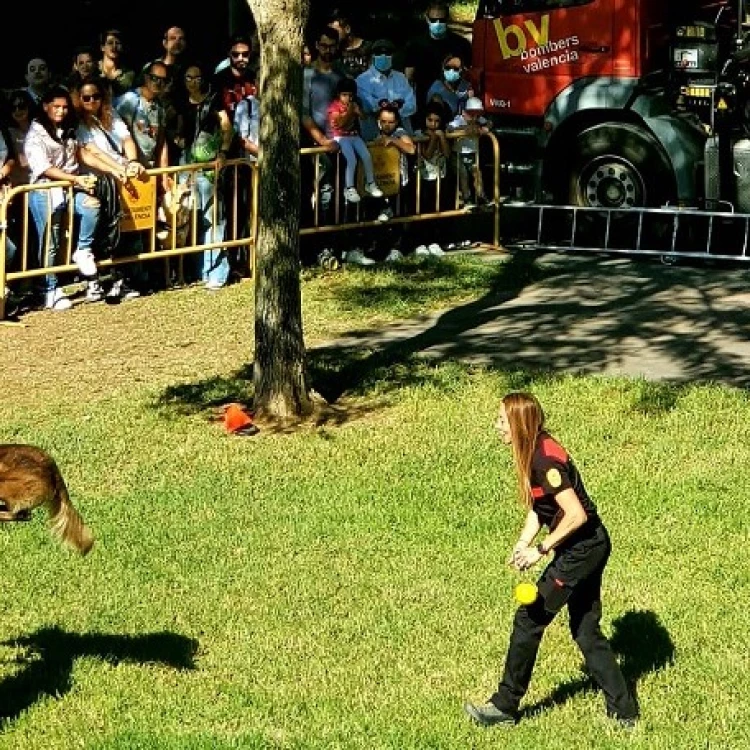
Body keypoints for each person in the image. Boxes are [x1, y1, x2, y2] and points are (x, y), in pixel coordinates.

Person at [464, 392, 639, 730]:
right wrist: (522, 542)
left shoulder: (545, 460)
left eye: (502, 420)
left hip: (581, 550)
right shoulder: (535, 452)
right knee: (586, 630)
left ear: (519, 424)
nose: (496, 425)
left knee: (528, 620)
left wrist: (541, 550)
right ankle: (624, 711)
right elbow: (540, 507)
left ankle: (504, 707)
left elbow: (575, 515)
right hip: (588, 546)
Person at [25, 86, 104, 310]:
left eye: (65, 107)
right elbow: (43, 167)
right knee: (51, 240)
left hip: (70, 186)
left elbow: (81, 153)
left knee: (91, 206)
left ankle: (83, 250)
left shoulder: (70, 128)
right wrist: (74, 179)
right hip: (44, 190)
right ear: (45, 107)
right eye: (56, 107)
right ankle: (50, 288)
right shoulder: (36, 133)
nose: (61, 111)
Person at [177, 60, 235, 289]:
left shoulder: (214, 99)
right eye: (188, 78)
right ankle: (198, 269)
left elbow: (226, 127)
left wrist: (223, 152)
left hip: (210, 166)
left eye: (197, 77)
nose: (193, 82)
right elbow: (174, 129)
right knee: (190, 218)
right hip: (186, 166)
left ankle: (217, 271)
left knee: (213, 218)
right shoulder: (180, 103)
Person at [403, 1, 472, 125]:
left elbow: (468, 74)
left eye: (441, 20)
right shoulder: (415, 45)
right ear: (427, 18)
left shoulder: (461, 45)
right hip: (423, 105)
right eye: (434, 20)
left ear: (448, 19)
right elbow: (409, 77)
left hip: (453, 106)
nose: (438, 23)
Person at [326, 77, 383, 204]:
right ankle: (349, 187)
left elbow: (363, 117)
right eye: (344, 95)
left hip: (354, 135)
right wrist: (350, 111)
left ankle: (370, 183)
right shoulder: (334, 106)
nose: (347, 98)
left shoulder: (354, 103)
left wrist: (359, 111)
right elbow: (340, 124)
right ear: (338, 94)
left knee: (367, 156)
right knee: (351, 159)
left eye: (350, 95)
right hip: (341, 137)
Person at [356, 39, 416, 141]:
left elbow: (412, 106)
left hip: (403, 139)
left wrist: (396, 108)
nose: (383, 56)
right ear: (372, 56)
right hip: (374, 139)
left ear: (393, 56)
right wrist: (387, 107)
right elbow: (369, 106)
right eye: (379, 53)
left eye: (387, 53)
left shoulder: (401, 78)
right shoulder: (362, 80)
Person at [412, 101, 452, 256]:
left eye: (437, 121)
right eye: (430, 120)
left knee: (437, 209)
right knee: (422, 209)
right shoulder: (419, 135)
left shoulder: (442, 133)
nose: (433, 124)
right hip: (423, 177)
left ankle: (434, 241)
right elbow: (427, 155)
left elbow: (448, 154)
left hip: (439, 176)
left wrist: (441, 138)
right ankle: (420, 242)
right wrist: (434, 138)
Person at [447, 96, 491, 209]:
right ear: (465, 112)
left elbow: (489, 123)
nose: (475, 117)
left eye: (477, 114)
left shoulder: (479, 120)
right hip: (458, 154)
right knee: (463, 174)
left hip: (472, 154)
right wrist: (465, 129)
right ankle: (467, 197)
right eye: (472, 114)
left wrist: (483, 128)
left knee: (477, 173)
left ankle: (481, 195)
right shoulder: (458, 120)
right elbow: (449, 128)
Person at [426, 53, 472, 119]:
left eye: (456, 69)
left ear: (462, 69)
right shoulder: (436, 88)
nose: (451, 71)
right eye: (448, 67)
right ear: (443, 67)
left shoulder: (466, 86)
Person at [329, 10, 372, 78]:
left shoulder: (369, 48)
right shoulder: (334, 51)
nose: (332, 35)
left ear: (347, 29)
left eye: (335, 31)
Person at [98, 29, 136, 100]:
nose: (114, 46)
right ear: (102, 47)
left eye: (118, 43)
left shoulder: (128, 74)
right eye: (110, 43)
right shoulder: (94, 69)